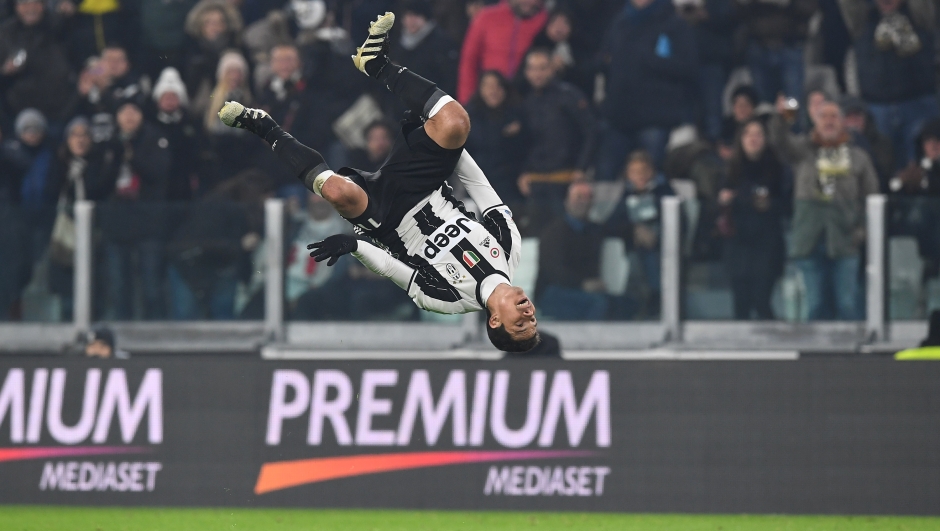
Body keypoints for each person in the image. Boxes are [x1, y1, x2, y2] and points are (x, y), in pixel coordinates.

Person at [220, 12, 539, 351]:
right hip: (425, 184)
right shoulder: (509, 248)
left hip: (388, 219)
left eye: (520, 323)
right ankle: (376, 64)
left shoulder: (447, 300)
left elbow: (391, 267)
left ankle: (264, 127)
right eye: (532, 320)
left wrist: (354, 246)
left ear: (494, 321)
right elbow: (480, 188)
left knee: (337, 191)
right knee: (456, 121)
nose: (529, 314)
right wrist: (444, 144)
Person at [769, 97, 879, 320]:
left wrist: (863, 231)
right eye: (823, 116)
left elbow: (872, 199)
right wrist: (783, 117)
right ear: (814, 122)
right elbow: (779, 141)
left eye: (834, 116)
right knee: (815, 305)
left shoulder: (858, 158)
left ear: (843, 123)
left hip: (845, 241)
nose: (829, 121)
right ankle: (816, 355)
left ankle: (851, 354)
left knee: (846, 304)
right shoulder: (802, 151)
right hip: (810, 240)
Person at [596, 0, 698, 178]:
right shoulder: (620, 21)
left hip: (655, 117)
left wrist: (650, 61)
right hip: (618, 115)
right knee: (605, 175)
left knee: (652, 175)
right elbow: (605, 57)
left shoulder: (674, 24)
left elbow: (689, 67)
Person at [839, 0, 937, 168]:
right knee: (883, 169)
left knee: (924, 169)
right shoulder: (862, 19)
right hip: (876, 108)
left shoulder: (920, 15)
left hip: (919, 106)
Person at [517, 48, 596, 233]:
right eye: (533, 68)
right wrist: (523, 172)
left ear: (552, 69)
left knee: (563, 232)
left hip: (566, 178)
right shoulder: (525, 102)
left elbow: (591, 132)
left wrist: (582, 167)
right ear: (526, 72)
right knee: (536, 234)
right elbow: (521, 144)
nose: (537, 73)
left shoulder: (569, 96)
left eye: (542, 68)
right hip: (536, 181)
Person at [718, 119, 787, 319]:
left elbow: (786, 205)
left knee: (761, 301)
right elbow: (715, 207)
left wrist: (766, 204)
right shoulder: (729, 171)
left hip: (767, 246)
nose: (753, 138)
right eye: (748, 133)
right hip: (738, 245)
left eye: (758, 134)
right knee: (741, 305)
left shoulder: (777, 168)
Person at [607, 150, 676, 316]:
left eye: (644, 170)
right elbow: (610, 225)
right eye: (634, 172)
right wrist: (634, 230)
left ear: (652, 171)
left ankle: (654, 306)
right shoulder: (626, 196)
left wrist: (656, 236)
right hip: (632, 251)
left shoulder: (665, 193)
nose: (640, 176)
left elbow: (680, 224)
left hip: (662, 252)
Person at [535, 182, 608, 320]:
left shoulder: (594, 230)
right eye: (579, 197)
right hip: (554, 292)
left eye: (588, 197)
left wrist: (636, 229)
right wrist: (582, 284)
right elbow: (554, 271)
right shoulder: (553, 232)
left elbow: (617, 229)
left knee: (627, 302)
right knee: (598, 304)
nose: (584, 202)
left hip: (584, 291)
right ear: (566, 202)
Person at [457, 0, 547, 103]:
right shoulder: (486, 17)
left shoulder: (545, 20)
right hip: (488, 97)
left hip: (526, 99)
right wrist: (466, 101)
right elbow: (469, 61)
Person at [464, 70, 526, 219]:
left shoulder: (517, 115)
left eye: (497, 86)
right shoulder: (468, 117)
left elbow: (525, 150)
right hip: (479, 185)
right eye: (488, 86)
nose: (493, 91)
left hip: (511, 186)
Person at [734, 0, 817, 104]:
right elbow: (735, 11)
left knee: (791, 100)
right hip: (758, 44)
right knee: (762, 101)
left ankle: (790, 120)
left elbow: (809, 8)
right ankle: (767, 120)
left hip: (790, 45)